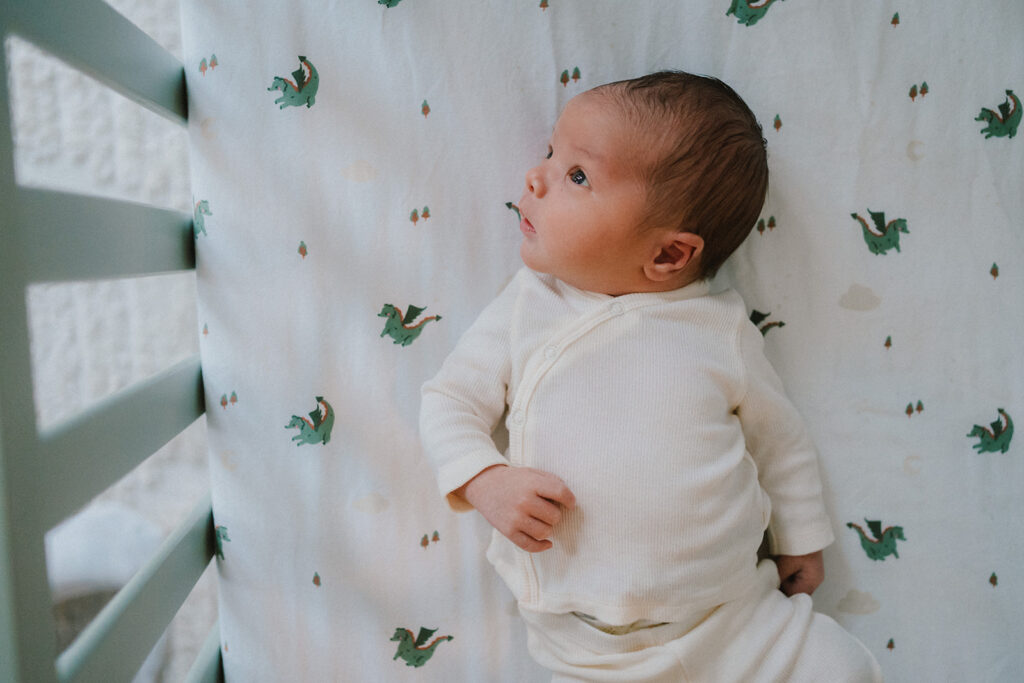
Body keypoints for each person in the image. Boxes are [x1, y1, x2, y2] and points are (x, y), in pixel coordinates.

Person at [419, 71, 882, 682]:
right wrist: (485, 481)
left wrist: (800, 534)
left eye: (577, 176)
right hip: (586, 641)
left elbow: (779, 439)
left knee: (838, 667)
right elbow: (450, 399)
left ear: (668, 255)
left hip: (733, 618)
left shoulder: (717, 328)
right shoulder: (527, 307)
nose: (536, 177)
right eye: (551, 155)